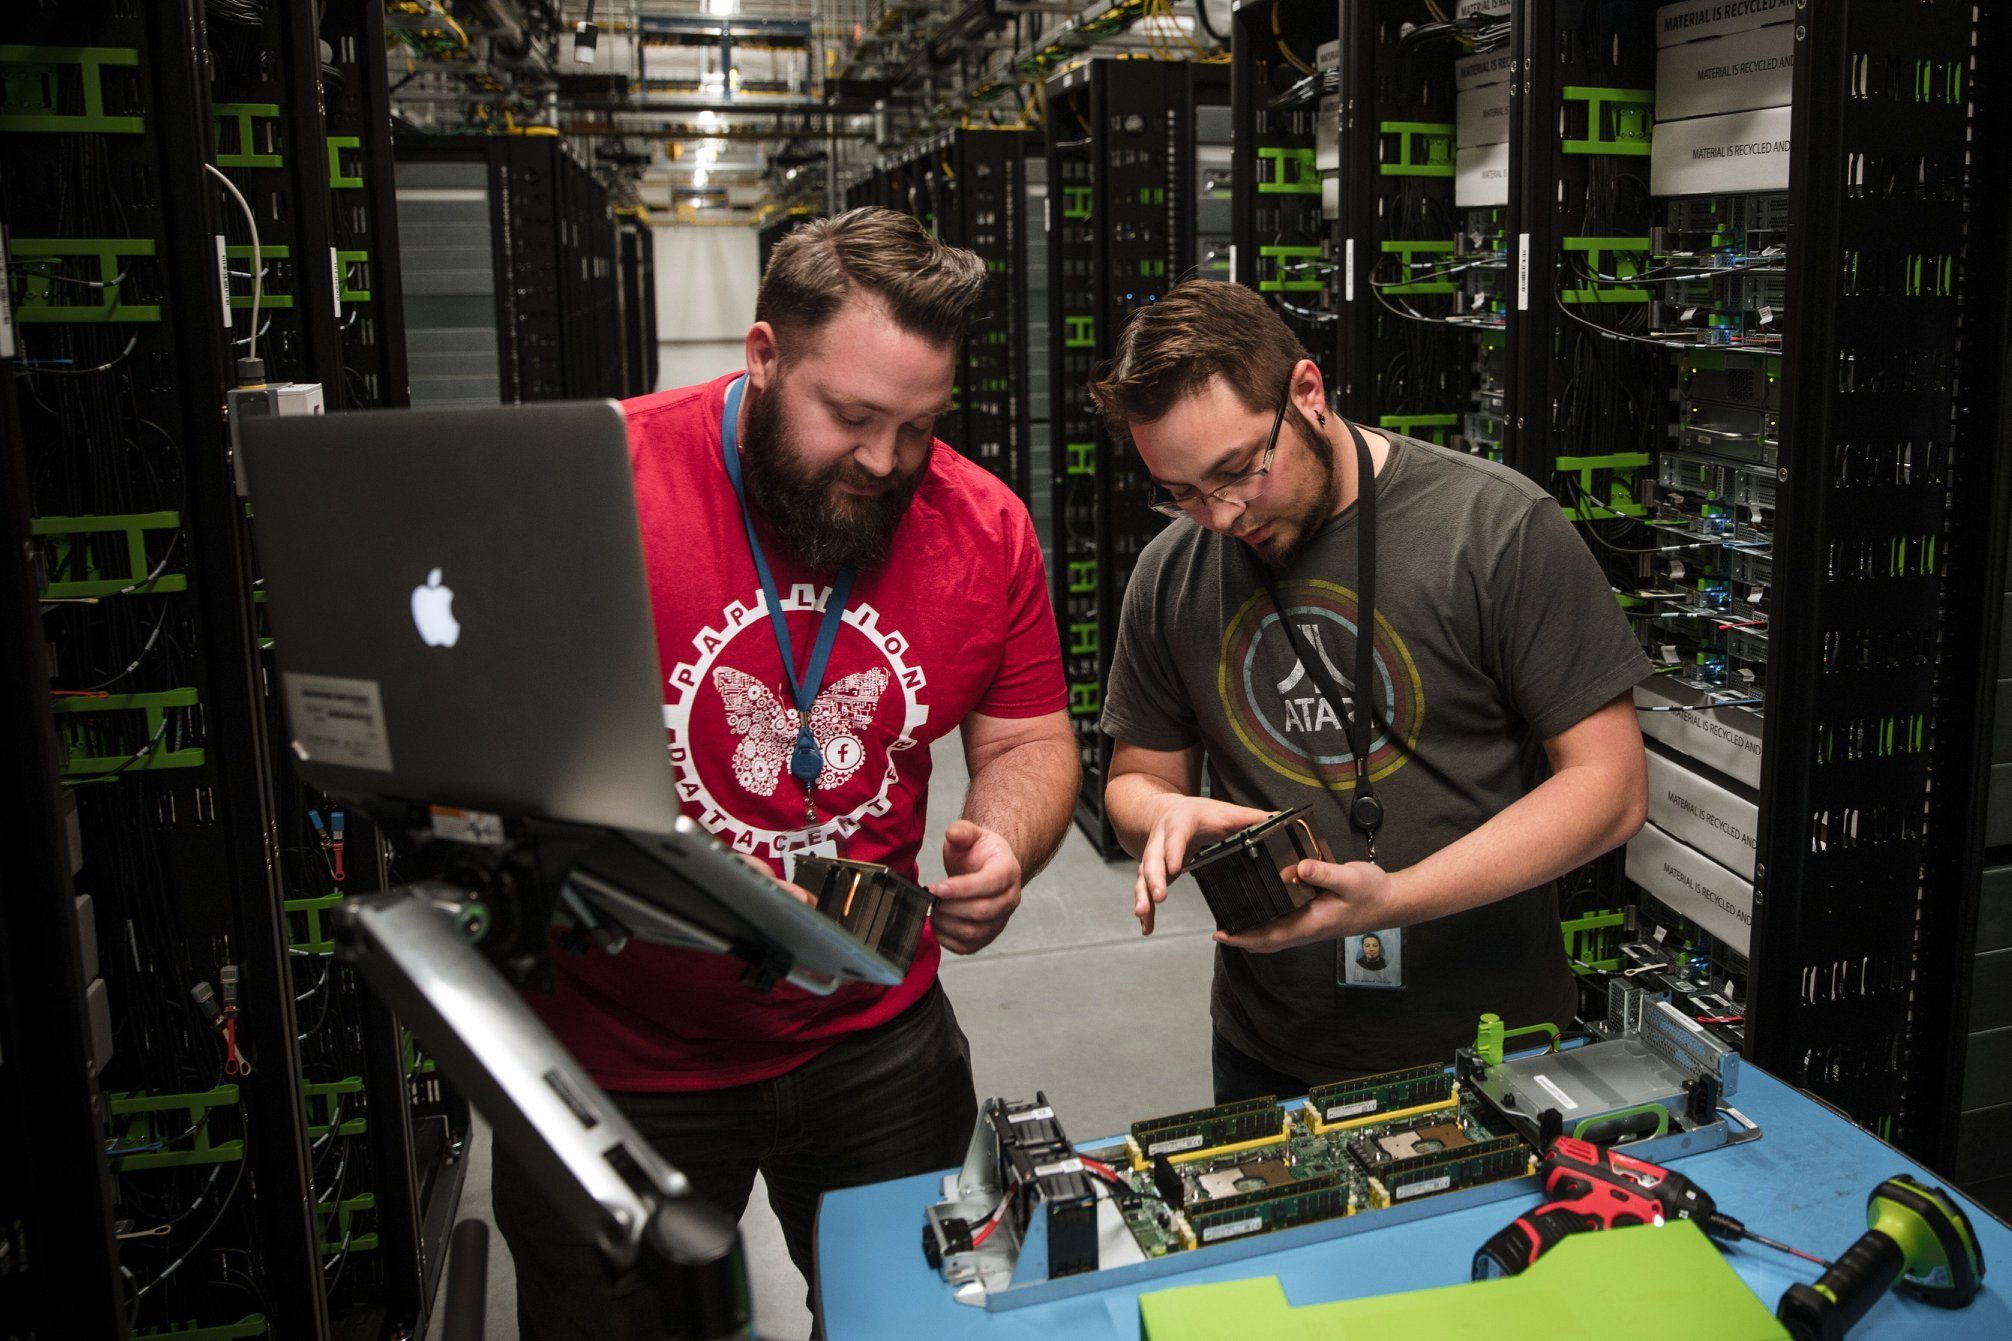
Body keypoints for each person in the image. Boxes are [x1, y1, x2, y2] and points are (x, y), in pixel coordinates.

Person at [494, 208, 1078, 1336]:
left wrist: (1005, 839)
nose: (882, 460)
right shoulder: (595, 485)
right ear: (762, 357)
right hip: (619, 1059)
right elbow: (475, 748)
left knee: (924, 1324)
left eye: (916, 426)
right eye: (850, 415)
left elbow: (1025, 740)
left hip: (877, 1044)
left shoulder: (983, 525)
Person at [1091, 279, 1650, 1104]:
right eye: (1181, 492)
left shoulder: (1495, 528)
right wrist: (1162, 813)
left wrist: (1394, 900)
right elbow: (1135, 780)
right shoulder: (1171, 572)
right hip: (1268, 1045)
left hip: (1492, 1042)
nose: (1222, 514)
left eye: (1240, 470)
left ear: (1307, 393)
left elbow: (1611, 787)